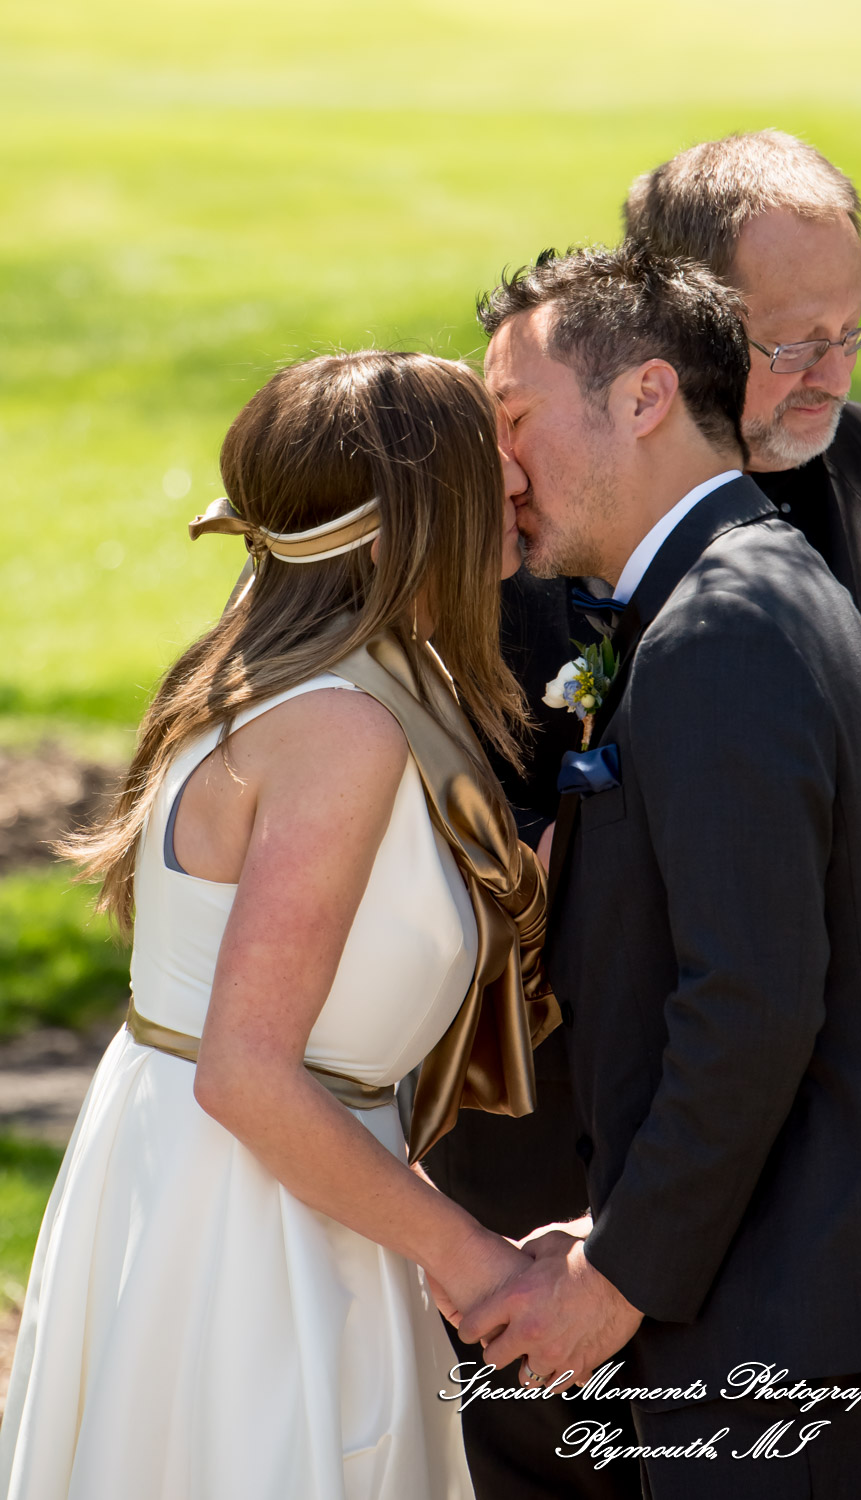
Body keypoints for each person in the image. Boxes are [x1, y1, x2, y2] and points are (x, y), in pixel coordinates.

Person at [0, 350, 559, 1500]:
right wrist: (476, 1263)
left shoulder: (314, 676)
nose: (517, 475)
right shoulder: (340, 729)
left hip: (250, 1186)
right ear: (416, 514)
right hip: (255, 1231)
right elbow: (247, 1075)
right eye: (486, 460)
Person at [461, 242, 861, 1498]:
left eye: (513, 418)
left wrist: (618, 1273)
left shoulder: (723, 627)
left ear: (639, 398)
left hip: (797, 1317)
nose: (498, 468)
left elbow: (749, 1005)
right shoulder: (718, 593)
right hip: (785, 1286)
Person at [624, 129, 861, 1166]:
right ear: (679, 328)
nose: (834, 372)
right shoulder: (547, 531)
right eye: (789, 344)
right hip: (657, 1130)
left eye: (849, 325)